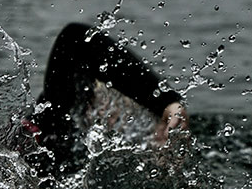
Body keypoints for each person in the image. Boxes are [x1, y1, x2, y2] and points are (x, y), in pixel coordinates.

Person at [23, 22, 188, 176]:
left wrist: (168, 105)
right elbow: (75, 40)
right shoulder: (55, 126)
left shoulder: (59, 132)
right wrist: (165, 101)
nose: (108, 111)